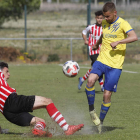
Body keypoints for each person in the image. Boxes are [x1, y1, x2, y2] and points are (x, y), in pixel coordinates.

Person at [85, 2, 138, 134]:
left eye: (107, 16)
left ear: (115, 13)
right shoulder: (104, 23)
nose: (105, 19)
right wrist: (97, 44)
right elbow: (103, 34)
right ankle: (92, 111)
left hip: (115, 66)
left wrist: (119, 41)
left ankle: (100, 123)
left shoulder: (123, 23)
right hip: (102, 60)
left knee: (106, 95)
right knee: (90, 80)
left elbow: (134, 37)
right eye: (104, 16)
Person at [0, 62, 84, 137]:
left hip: (7, 113)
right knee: (47, 101)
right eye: (6, 71)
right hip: (11, 100)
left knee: (41, 122)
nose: (9, 74)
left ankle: (38, 130)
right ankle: (67, 128)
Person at [78, 10, 104, 92]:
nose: (99, 20)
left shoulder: (105, 28)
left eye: (101, 18)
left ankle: (82, 79)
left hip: (102, 51)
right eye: (98, 18)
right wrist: (85, 40)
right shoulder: (91, 27)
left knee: (95, 68)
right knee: (98, 67)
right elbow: (84, 32)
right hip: (93, 51)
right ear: (96, 18)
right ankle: (102, 86)